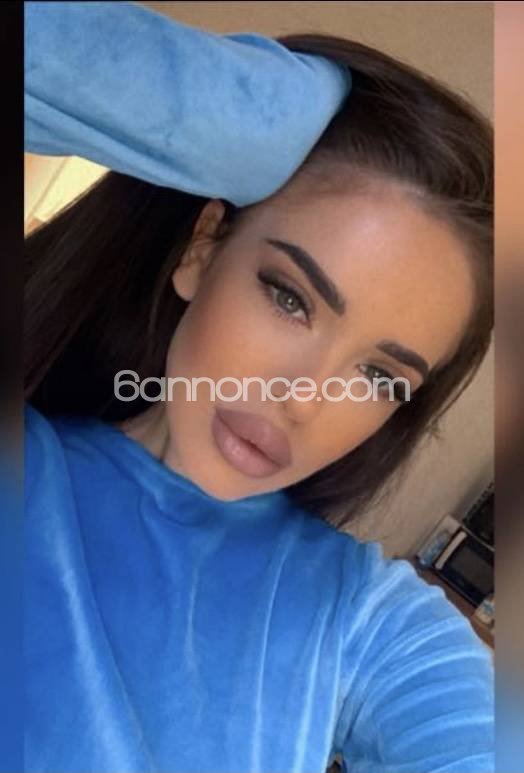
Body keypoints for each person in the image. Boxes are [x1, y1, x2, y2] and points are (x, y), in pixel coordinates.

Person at [24, 3, 494, 772]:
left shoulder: (365, 617)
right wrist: (224, 102)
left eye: (379, 375)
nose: (303, 400)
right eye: (290, 297)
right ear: (202, 250)